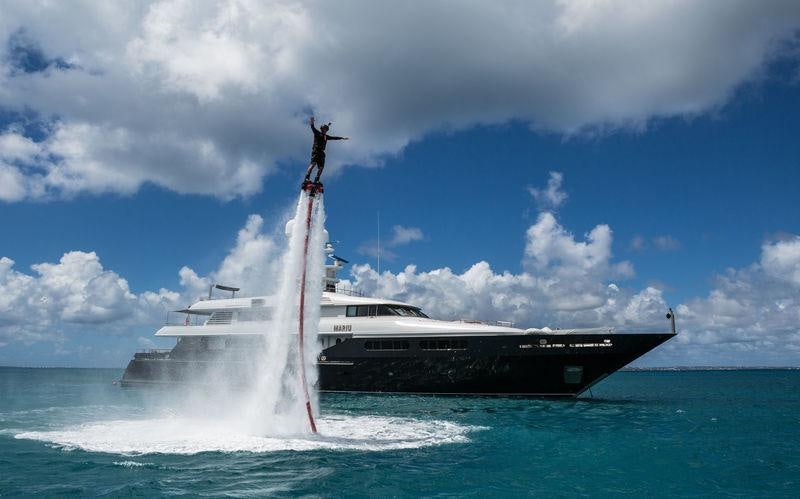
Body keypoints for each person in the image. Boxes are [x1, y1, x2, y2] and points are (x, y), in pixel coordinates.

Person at [304, 116, 348, 183]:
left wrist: (342, 138)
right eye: (324, 129)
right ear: (322, 129)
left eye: (326, 129)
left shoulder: (326, 137)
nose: (325, 130)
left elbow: (334, 138)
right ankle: (307, 178)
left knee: (321, 168)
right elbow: (312, 127)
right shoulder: (317, 133)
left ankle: (317, 179)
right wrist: (312, 121)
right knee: (313, 164)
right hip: (316, 151)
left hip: (322, 153)